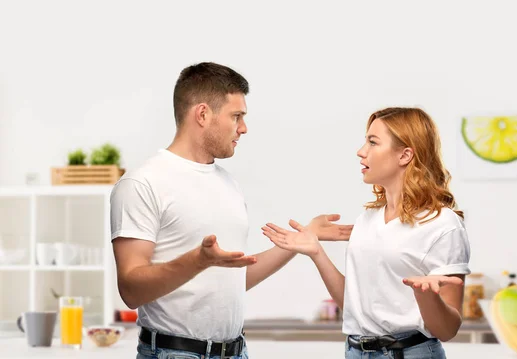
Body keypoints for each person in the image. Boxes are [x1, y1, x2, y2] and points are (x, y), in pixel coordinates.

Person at [110, 62, 353, 359]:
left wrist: (303, 240)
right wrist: (198, 260)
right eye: (236, 116)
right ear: (202, 114)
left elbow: (234, 278)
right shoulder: (142, 183)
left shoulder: (228, 184)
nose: (244, 128)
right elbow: (131, 290)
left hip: (236, 351)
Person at [262, 107, 471, 359]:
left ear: (405, 155)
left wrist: (425, 297)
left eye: (373, 142)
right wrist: (316, 252)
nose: (361, 152)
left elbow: (447, 330)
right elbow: (353, 307)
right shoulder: (368, 220)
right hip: (356, 352)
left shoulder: (442, 224)